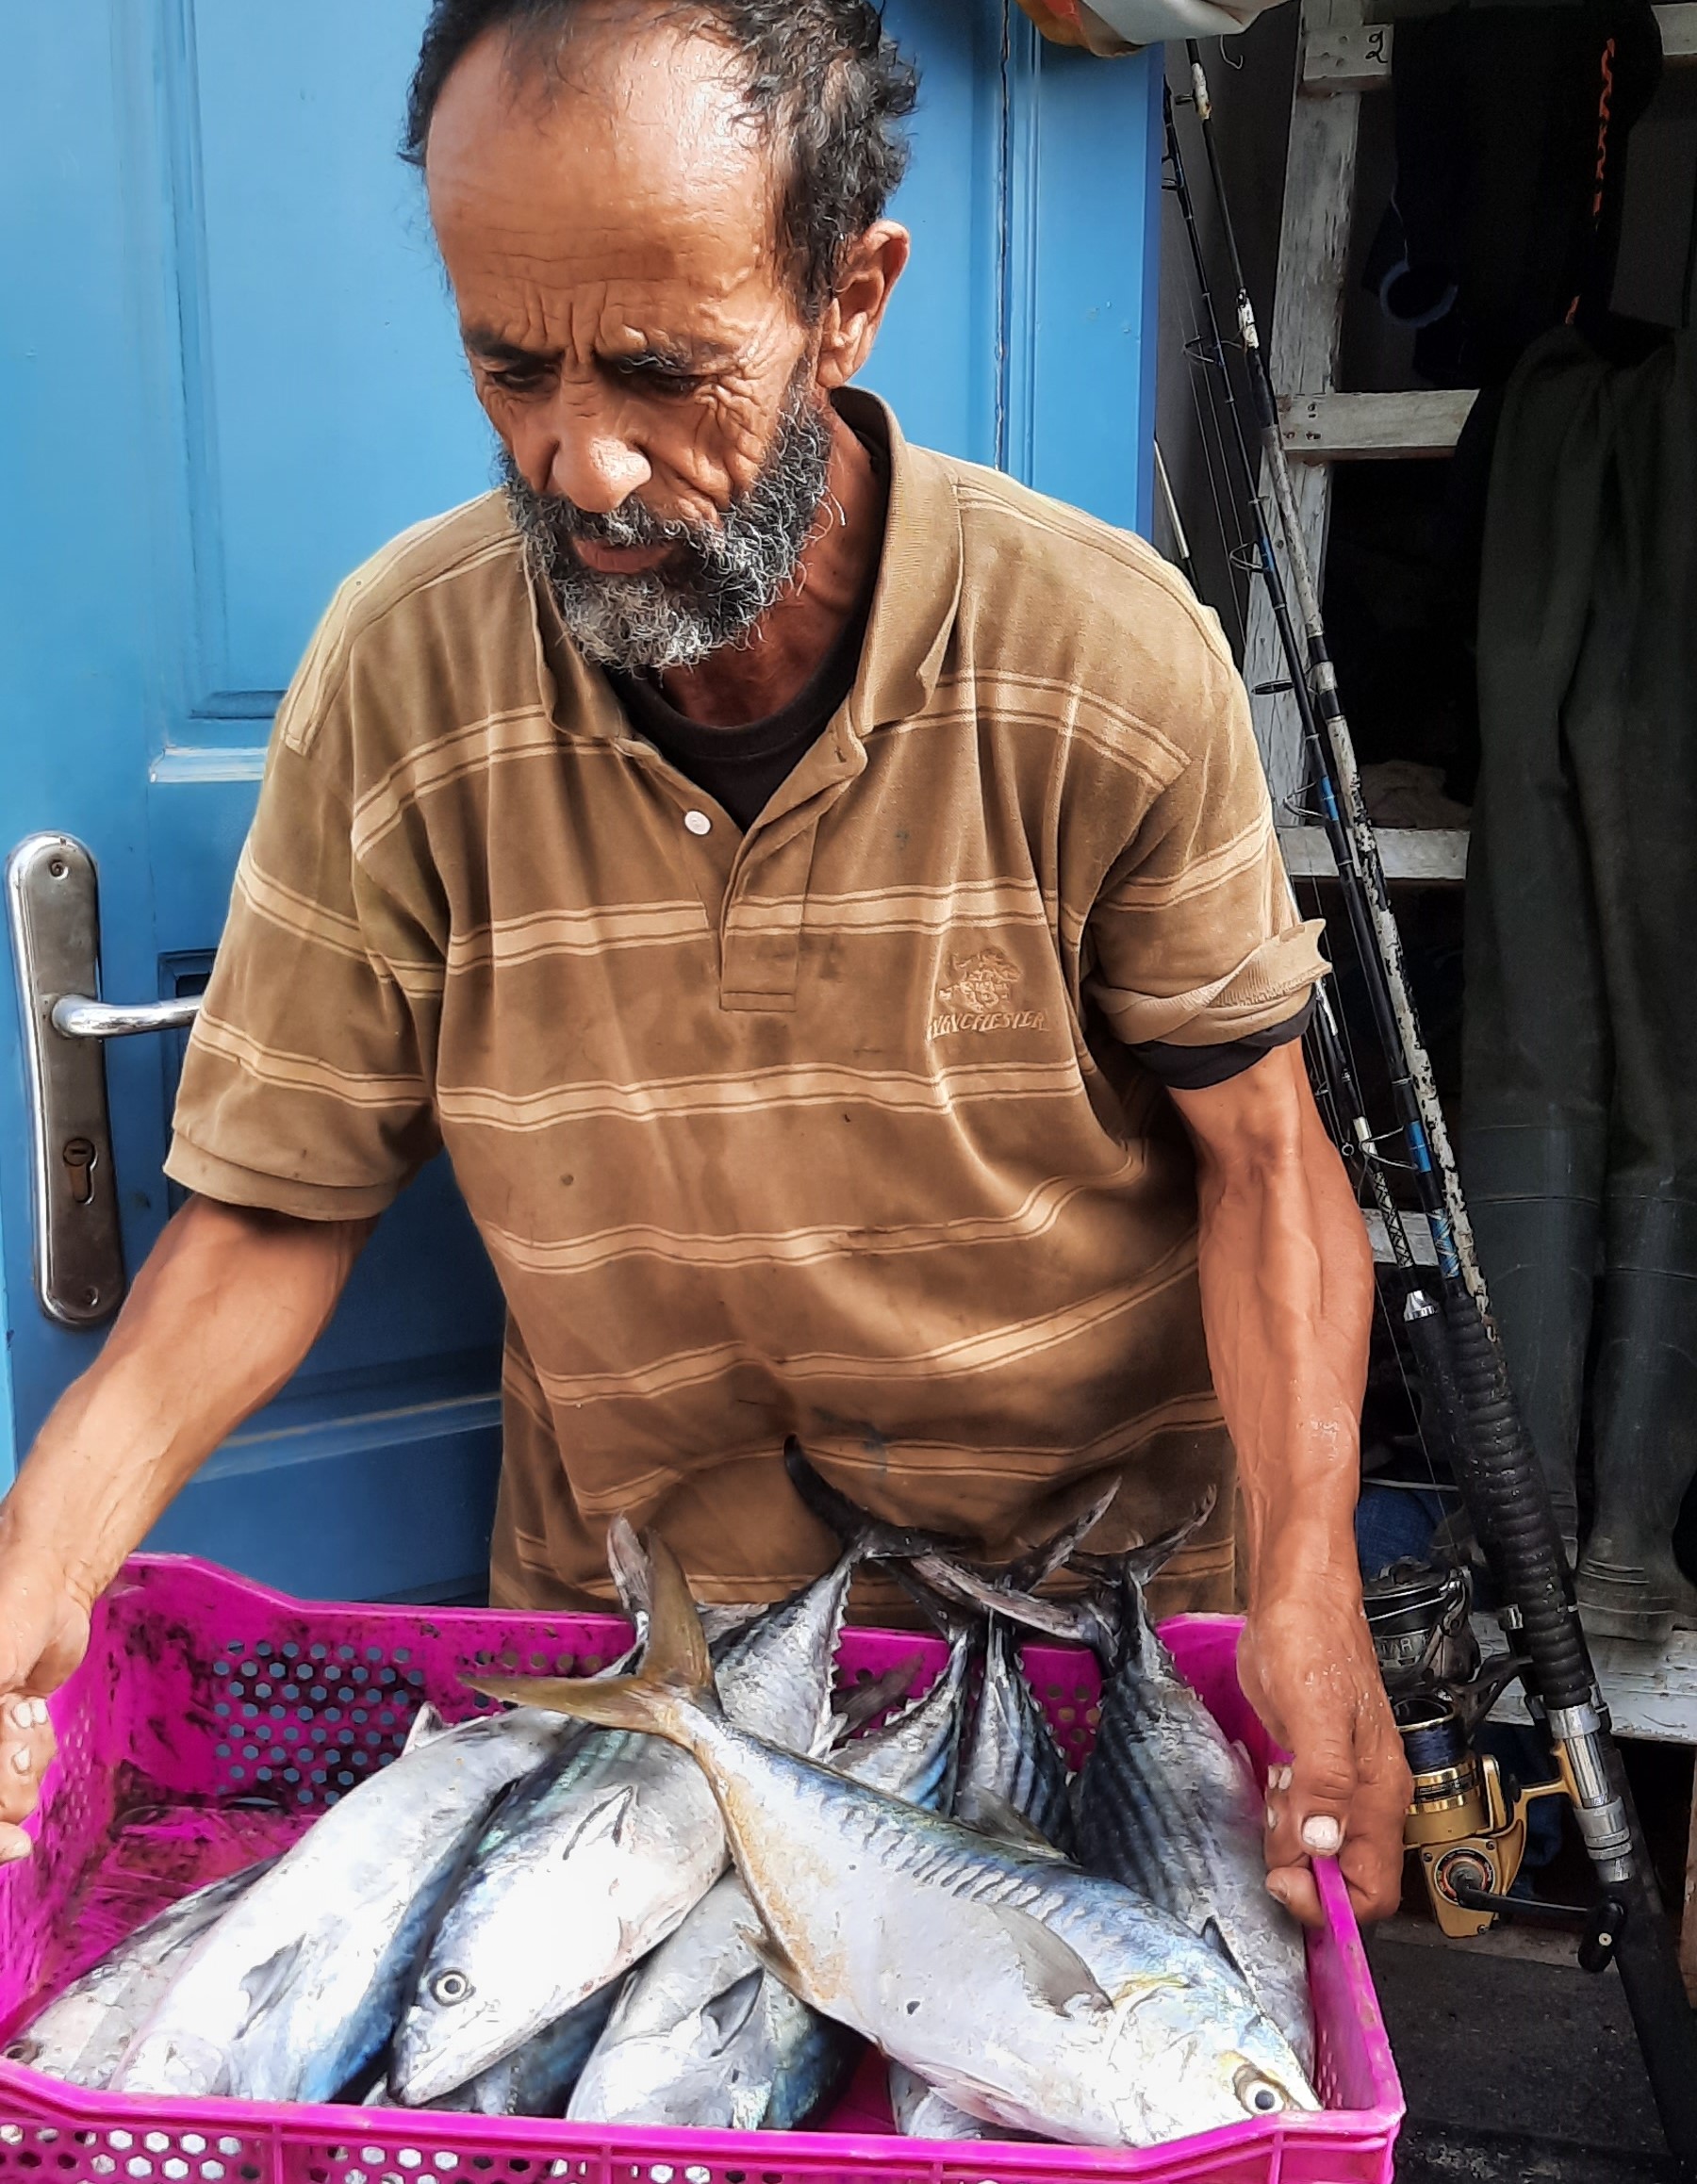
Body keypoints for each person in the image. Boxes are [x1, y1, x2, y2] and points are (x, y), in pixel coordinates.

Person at [0, 0, 1409, 1924]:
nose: (580, 462)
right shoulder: (403, 675)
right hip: (638, 1681)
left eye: (663, 370)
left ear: (850, 297)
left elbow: (1265, 1161)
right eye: (510, 367)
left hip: (1083, 1665)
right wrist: (36, 1572)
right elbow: (270, 1207)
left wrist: (1312, 1587)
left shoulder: (1105, 662)